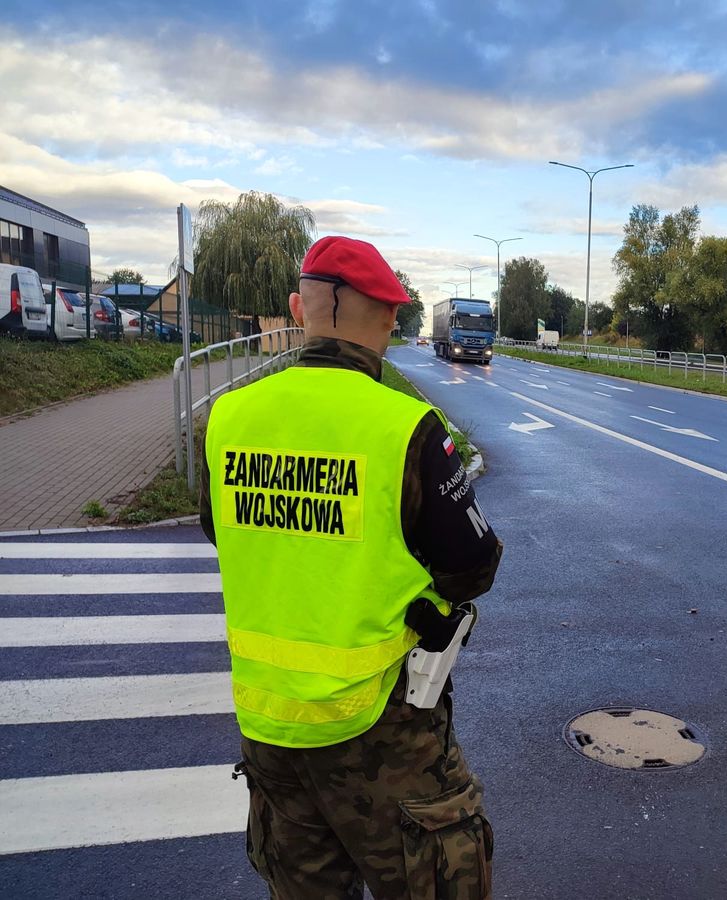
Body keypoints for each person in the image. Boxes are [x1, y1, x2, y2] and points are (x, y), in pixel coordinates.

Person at [198, 235, 502, 900]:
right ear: (391, 320)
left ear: (294, 308)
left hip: (270, 730)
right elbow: (473, 565)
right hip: (382, 727)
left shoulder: (228, 417)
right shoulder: (406, 427)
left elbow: (219, 532)